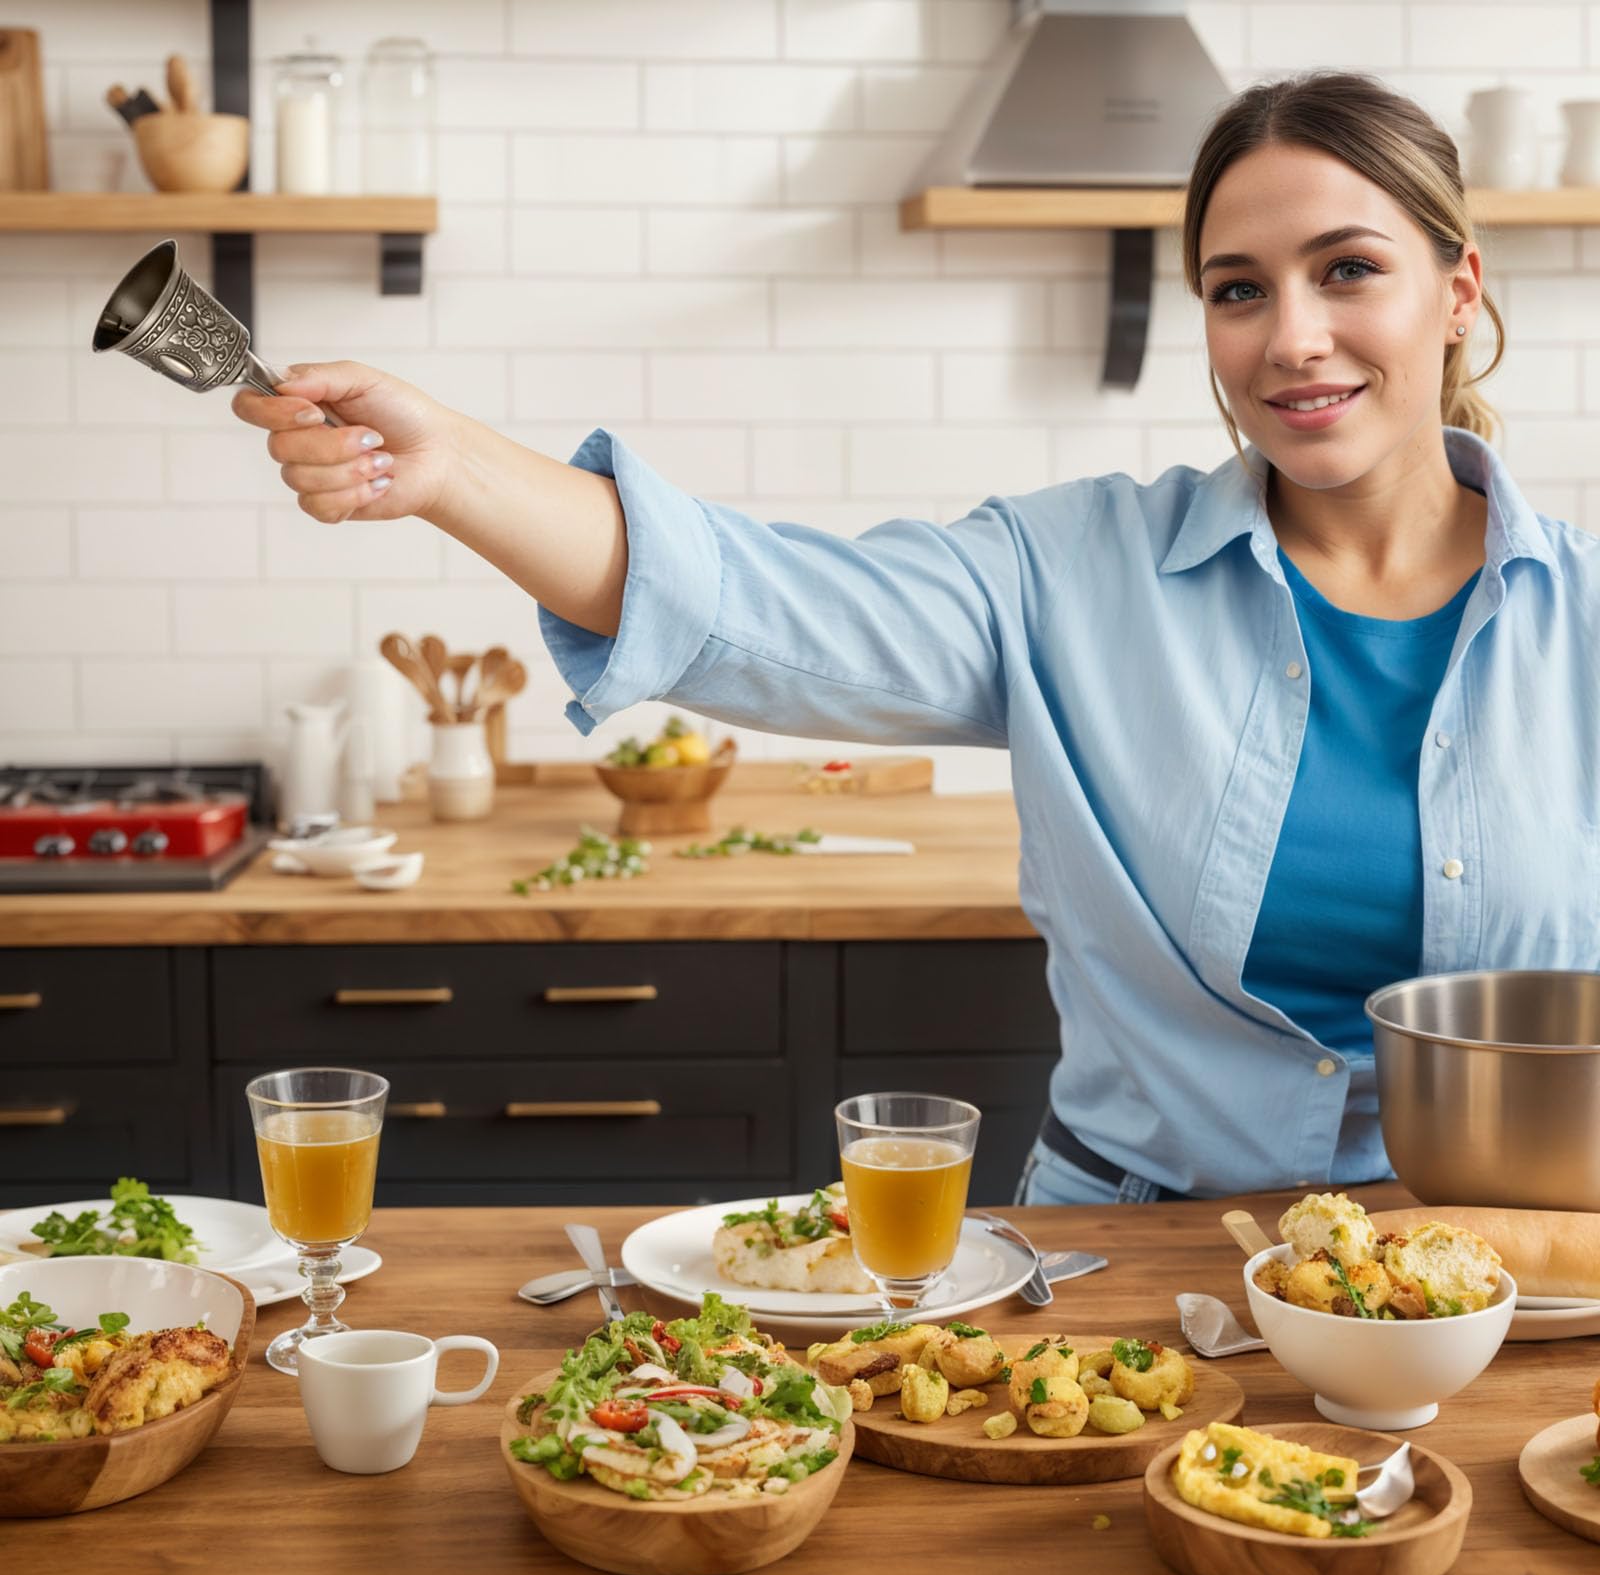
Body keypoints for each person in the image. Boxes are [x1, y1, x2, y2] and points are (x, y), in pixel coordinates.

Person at [234, 73, 1598, 1204]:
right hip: (1133, 1269)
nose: (1292, 337)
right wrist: (453, 468)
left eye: (1348, 270)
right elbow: (748, 602)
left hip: (1509, 1275)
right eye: (1238, 290)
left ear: (1457, 290)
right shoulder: (1072, 572)